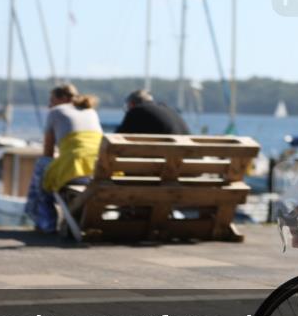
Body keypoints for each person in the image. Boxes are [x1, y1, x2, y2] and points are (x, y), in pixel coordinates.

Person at [24, 84, 103, 233]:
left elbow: (47, 152)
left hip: (76, 169)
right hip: (100, 169)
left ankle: (46, 222)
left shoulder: (56, 112)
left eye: (52, 100)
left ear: (64, 99)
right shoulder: (91, 111)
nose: (49, 105)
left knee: (42, 166)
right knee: (49, 168)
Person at [115, 89, 190, 135]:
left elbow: (117, 137)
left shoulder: (136, 111)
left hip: (165, 158)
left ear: (131, 104)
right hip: (188, 158)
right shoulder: (170, 110)